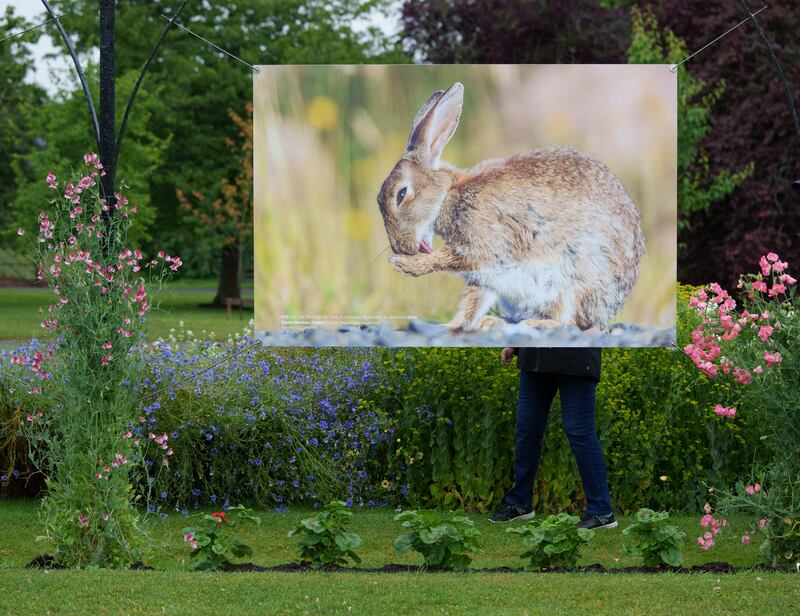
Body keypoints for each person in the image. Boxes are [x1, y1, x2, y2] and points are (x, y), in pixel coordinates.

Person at [489, 347, 616, 529]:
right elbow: (532, 317)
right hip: (535, 360)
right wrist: (515, 345)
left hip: (576, 362)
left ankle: (602, 512)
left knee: (580, 433)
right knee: (527, 430)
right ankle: (520, 504)